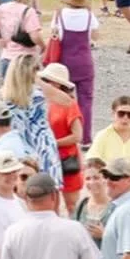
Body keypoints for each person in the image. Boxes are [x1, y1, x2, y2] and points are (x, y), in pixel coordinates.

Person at [0, 55, 62, 184]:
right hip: (34, 143)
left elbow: (67, 101)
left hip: (31, 143)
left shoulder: (5, 94)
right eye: (36, 69)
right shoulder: (37, 92)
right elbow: (66, 100)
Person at [50, 0, 99, 144]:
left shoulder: (59, 15)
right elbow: (95, 36)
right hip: (84, 62)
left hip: (65, 63)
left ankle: (65, 135)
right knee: (86, 100)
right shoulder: (89, 15)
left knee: (63, 99)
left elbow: (54, 35)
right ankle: (85, 137)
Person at [88, 95, 130, 202]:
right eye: (121, 114)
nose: (125, 118)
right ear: (113, 114)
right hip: (109, 198)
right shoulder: (102, 136)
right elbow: (91, 165)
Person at [37, 62, 84, 212]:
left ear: (57, 84)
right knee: (51, 205)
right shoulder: (42, 102)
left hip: (66, 159)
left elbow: (77, 135)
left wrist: (53, 143)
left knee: (72, 205)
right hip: (50, 158)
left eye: (47, 80)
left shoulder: (69, 104)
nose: (43, 84)